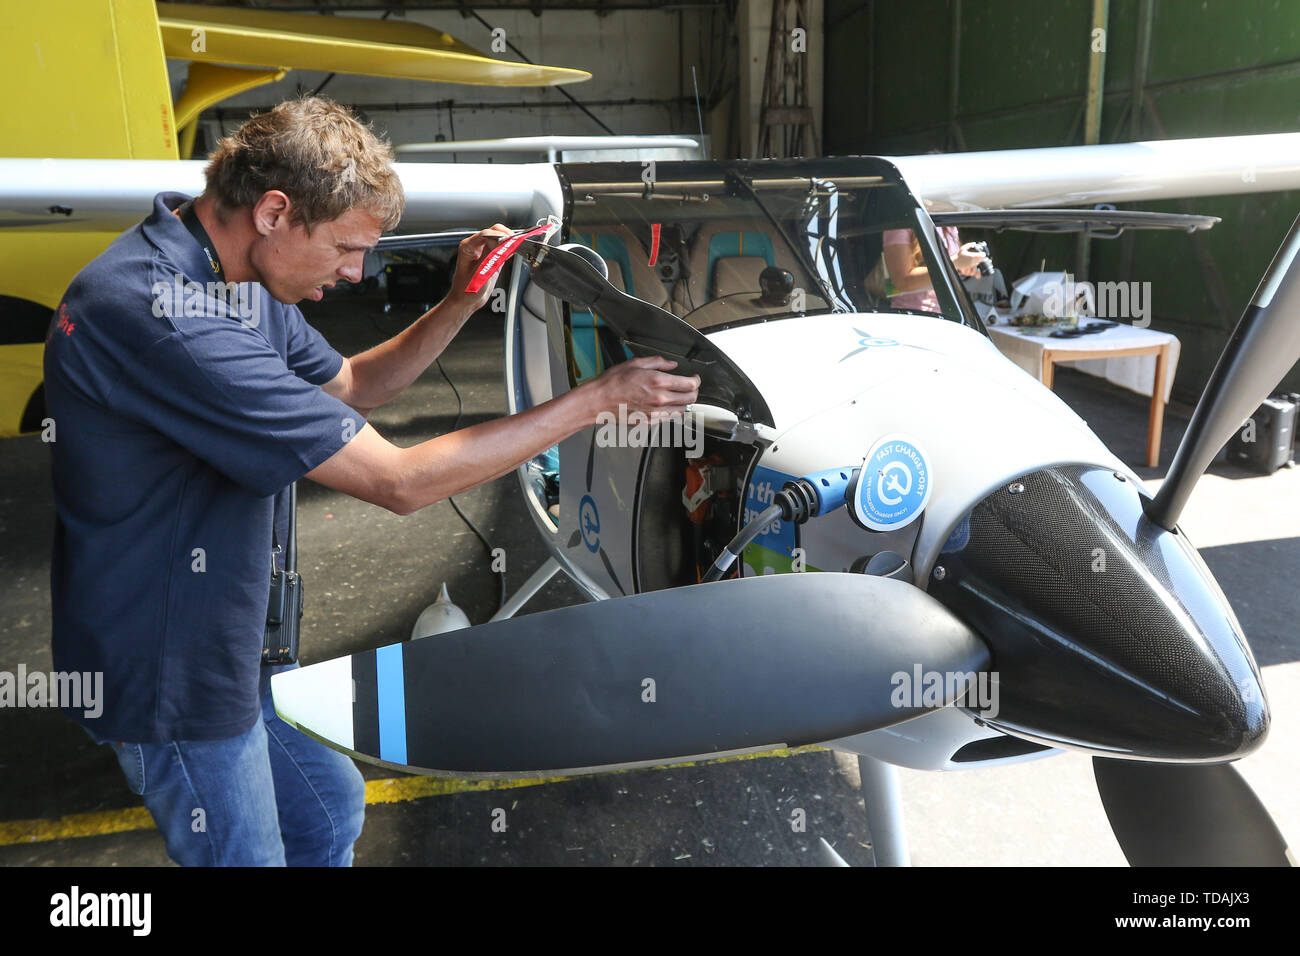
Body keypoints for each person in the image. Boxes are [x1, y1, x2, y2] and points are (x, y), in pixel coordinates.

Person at [43, 96, 699, 866]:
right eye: (346, 248)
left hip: (238, 640)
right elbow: (399, 481)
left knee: (326, 809)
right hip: (173, 668)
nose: (356, 272)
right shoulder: (162, 312)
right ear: (275, 212)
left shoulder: (236, 274)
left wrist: (462, 299)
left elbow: (351, 383)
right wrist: (596, 399)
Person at [880, 226, 987, 313]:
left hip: (951, 317)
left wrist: (966, 267)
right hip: (914, 317)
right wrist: (954, 264)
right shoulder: (902, 224)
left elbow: (950, 268)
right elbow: (901, 281)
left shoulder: (948, 223)